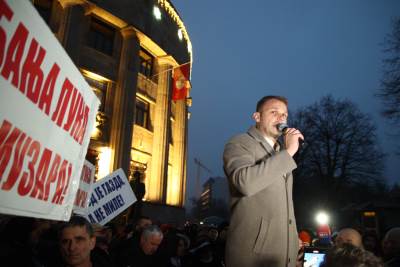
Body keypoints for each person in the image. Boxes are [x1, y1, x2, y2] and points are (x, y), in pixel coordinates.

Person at [223, 95, 304, 267]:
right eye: (274, 112)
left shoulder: (280, 151)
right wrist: (289, 152)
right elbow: (244, 183)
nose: (281, 118)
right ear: (257, 117)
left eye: (284, 115)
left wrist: (291, 240)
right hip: (253, 257)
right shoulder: (240, 142)